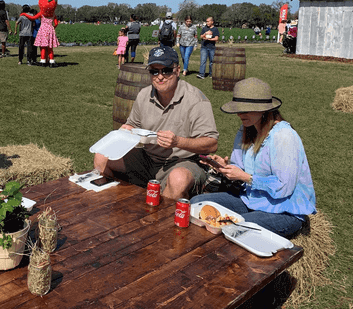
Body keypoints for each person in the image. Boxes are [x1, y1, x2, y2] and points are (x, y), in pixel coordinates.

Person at [192, 78, 316, 238]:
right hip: (251, 200)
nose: (239, 114)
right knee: (196, 203)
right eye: (238, 109)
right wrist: (224, 167)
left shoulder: (284, 136)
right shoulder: (245, 130)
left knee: (233, 228)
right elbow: (240, 170)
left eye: (246, 109)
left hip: (285, 211)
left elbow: (284, 187)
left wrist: (244, 176)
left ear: (264, 110)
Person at [94, 46, 218, 199]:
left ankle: (160, 219)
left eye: (166, 70)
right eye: (154, 71)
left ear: (177, 70)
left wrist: (178, 141)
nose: (160, 76)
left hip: (182, 161)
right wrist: (127, 129)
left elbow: (212, 143)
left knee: (178, 179)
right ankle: (118, 208)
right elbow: (133, 124)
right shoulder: (144, 95)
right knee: (102, 157)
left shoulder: (196, 100)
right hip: (147, 158)